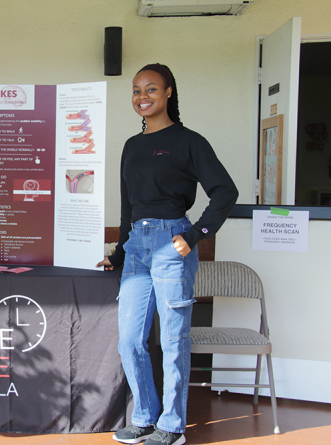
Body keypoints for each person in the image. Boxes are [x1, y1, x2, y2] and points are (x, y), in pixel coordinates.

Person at [97, 63, 238, 445]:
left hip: (171, 242)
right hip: (137, 248)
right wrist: (120, 252)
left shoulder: (189, 141)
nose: (142, 97)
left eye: (151, 89)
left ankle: (172, 426)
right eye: (136, 91)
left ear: (169, 92)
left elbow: (225, 192)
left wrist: (194, 236)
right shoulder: (132, 145)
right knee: (129, 340)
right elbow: (129, 207)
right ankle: (143, 417)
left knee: (173, 340)